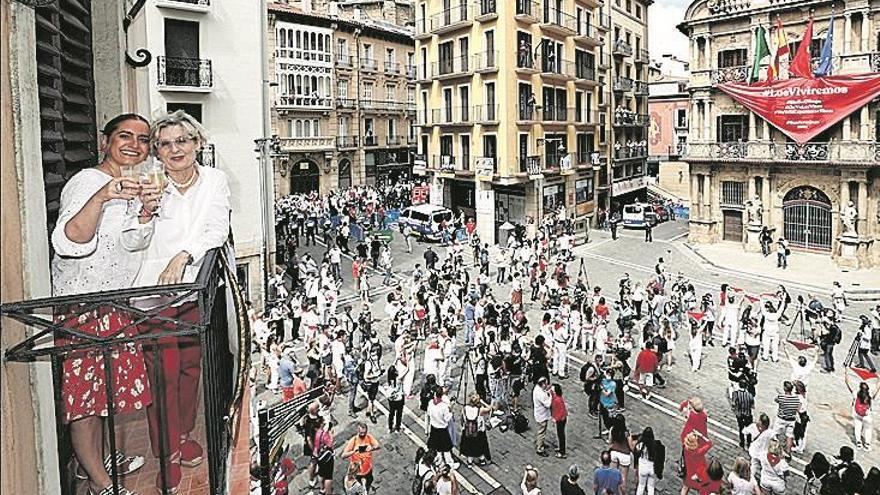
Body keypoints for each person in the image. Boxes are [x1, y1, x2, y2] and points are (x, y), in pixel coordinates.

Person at [129, 110, 231, 494]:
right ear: (157, 150)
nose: (175, 149)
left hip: (191, 292)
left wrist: (185, 254)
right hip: (151, 298)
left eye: (182, 141)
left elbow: (216, 228)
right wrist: (144, 213)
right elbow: (130, 241)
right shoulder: (146, 183)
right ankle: (166, 453)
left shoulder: (215, 181)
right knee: (163, 377)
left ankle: (185, 434)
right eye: (166, 143)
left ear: (197, 143)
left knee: (189, 370)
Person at [51, 113, 153, 495]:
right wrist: (102, 196)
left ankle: (94, 461)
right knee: (85, 400)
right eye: (124, 136)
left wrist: (143, 213)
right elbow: (69, 242)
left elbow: (130, 244)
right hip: (84, 305)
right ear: (105, 141)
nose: (134, 144)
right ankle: (101, 482)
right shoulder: (87, 182)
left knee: (105, 394)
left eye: (143, 139)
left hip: (112, 302)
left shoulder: (129, 184)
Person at [341, 422, 381, 492]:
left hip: (368, 470)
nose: (362, 434)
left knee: (367, 486)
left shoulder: (369, 437)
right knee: (358, 491)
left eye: (364, 433)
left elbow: (378, 446)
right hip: (357, 473)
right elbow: (343, 455)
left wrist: (372, 448)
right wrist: (354, 451)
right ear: (358, 431)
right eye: (361, 433)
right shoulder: (353, 440)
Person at [845, 371, 878, 451]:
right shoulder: (870, 395)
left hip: (857, 414)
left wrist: (846, 373)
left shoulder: (856, 394)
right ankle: (867, 444)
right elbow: (877, 388)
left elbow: (848, 383)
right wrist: (879, 379)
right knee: (868, 429)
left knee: (857, 428)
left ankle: (858, 442)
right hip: (867, 416)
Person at [426, 387, 458, 468]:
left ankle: (439, 462)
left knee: (437, 447)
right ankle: (450, 463)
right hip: (442, 429)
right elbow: (447, 418)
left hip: (434, 427)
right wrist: (451, 409)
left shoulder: (430, 403)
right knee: (446, 448)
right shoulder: (444, 406)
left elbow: (429, 413)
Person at [459, 393, 492, 466]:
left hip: (467, 430)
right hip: (478, 431)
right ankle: (482, 459)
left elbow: (462, 419)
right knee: (479, 446)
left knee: (470, 446)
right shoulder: (480, 410)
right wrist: (483, 402)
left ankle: (470, 462)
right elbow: (490, 408)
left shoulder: (465, 408)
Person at [680, 430, 712, 495]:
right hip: (699, 474)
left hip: (688, 473)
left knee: (685, 487)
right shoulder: (699, 452)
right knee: (702, 489)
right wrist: (701, 435)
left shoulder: (685, 447)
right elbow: (710, 443)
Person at [311, 416, 335, 495]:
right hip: (326, 458)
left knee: (321, 473)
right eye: (323, 422)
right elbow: (330, 444)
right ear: (320, 424)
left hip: (317, 455)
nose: (324, 423)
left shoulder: (312, 431)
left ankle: (322, 489)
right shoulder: (323, 434)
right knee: (328, 476)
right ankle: (327, 492)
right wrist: (331, 436)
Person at [632, 427, 659, 495]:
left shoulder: (640, 445)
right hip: (652, 467)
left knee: (641, 485)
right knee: (651, 487)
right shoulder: (655, 445)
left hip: (643, 467)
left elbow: (635, 452)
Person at [532, 376, 553, 457]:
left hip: (539, 413)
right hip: (542, 415)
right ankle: (540, 448)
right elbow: (548, 404)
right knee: (542, 432)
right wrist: (550, 394)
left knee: (541, 430)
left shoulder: (537, 388)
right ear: (543, 384)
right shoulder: (541, 393)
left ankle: (540, 442)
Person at [551, 383, 569, 458]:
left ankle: (562, 452)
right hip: (560, 418)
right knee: (560, 434)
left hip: (561, 419)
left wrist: (555, 418)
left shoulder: (557, 400)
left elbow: (561, 411)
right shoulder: (556, 397)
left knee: (561, 435)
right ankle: (561, 448)